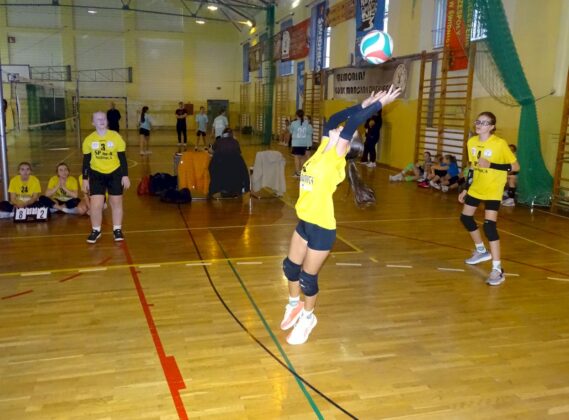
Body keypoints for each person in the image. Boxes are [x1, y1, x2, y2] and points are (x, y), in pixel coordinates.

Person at [280, 86, 401, 345]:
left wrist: (379, 105)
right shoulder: (325, 146)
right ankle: (293, 305)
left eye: (347, 133)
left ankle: (308, 318)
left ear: (347, 146)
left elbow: (352, 124)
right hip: (304, 222)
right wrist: (363, 104)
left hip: (322, 228)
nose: (342, 128)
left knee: (307, 279)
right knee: (289, 267)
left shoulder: (336, 157)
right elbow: (335, 119)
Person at [458, 112, 519, 286]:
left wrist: (491, 165)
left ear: (492, 126)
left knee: (489, 227)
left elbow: (516, 167)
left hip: (493, 189)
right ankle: (481, 251)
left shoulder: (499, 144)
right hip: (476, 187)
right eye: (478, 121)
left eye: (485, 123)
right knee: (465, 218)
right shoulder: (471, 142)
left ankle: (497, 269)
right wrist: (466, 188)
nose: (479, 124)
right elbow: (473, 167)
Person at [82, 111, 130, 243]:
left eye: (103, 118)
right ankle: (96, 230)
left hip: (115, 173)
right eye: (98, 119)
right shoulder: (89, 140)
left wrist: (125, 175)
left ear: (107, 121)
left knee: (116, 202)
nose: (101, 121)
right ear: (93, 123)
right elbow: (86, 161)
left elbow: (122, 158)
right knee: (95, 205)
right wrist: (85, 178)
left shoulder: (116, 137)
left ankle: (117, 230)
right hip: (96, 174)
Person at [289, 110, 313, 177]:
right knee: (302, 158)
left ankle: (297, 172)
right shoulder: (307, 123)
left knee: (297, 158)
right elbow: (309, 132)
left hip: (296, 143)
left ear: (296, 115)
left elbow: (291, 131)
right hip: (304, 143)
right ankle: (302, 172)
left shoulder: (294, 123)